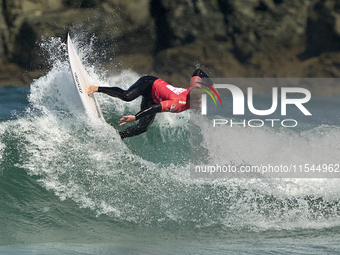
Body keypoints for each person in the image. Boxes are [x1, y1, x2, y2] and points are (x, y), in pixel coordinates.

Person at [87, 68, 214, 139]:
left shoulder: (195, 89)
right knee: (126, 96)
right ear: (190, 100)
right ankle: (96, 88)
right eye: (198, 102)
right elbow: (154, 108)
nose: (201, 105)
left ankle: (118, 136)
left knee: (143, 128)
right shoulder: (177, 104)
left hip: (153, 97)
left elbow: (198, 72)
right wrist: (135, 117)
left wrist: (212, 85)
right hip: (148, 84)